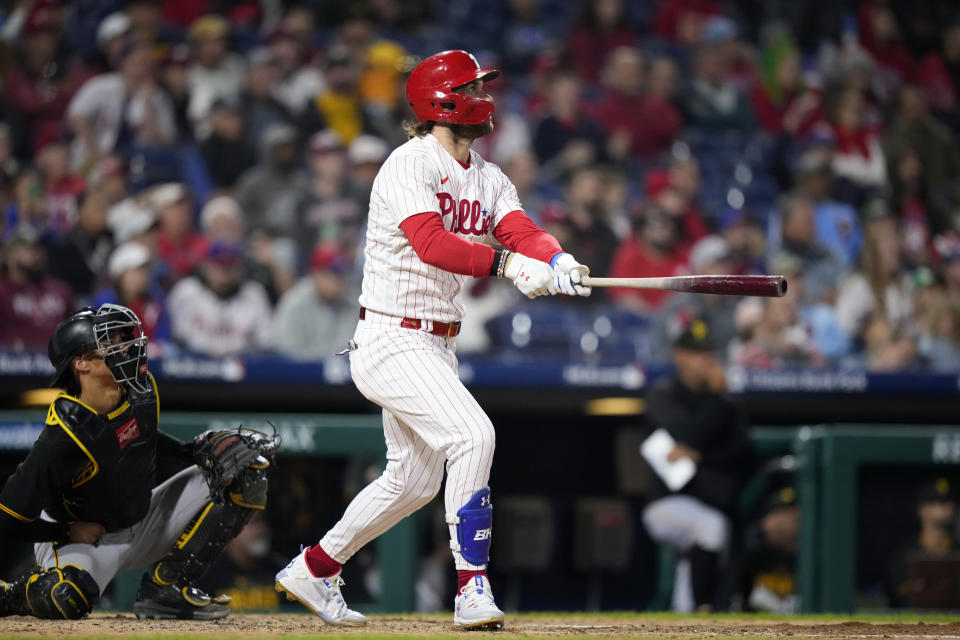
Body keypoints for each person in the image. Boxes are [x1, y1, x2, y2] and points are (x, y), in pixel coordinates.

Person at [274, 50, 592, 631]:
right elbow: (432, 244)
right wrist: (509, 268)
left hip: (435, 344)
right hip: (393, 336)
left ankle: (315, 568)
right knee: (473, 434)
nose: (484, 95)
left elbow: (519, 229)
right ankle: (471, 588)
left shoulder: (489, 176)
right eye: (472, 86)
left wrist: (556, 257)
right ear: (442, 100)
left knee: (414, 480)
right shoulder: (408, 163)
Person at [0, 304, 278, 620]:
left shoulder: (139, 389)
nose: (125, 347)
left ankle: (167, 588)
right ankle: (10, 596)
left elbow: (141, 439)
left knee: (246, 471)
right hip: (87, 538)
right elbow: (9, 517)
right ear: (81, 363)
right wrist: (68, 532)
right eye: (110, 343)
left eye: (122, 337)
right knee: (66, 598)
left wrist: (194, 451)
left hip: (143, 519)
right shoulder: (64, 436)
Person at [641, 318, 751, 612]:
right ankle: (704, 607)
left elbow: (742, 452)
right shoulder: (663, 395)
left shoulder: (726, 402)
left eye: (708, 353)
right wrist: (717, 401)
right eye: (696, 353)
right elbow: (685, 433)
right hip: (666, 502)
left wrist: (700, 456)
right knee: (709, 527)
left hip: (714, 498)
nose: (705, 361)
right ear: (680, 356)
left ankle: (688, 610)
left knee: (717, 530)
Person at [167, 241, 273, 357]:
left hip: (244, 366)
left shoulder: (254, 294)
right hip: (192, 365)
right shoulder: (185, 292)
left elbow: (265, 344)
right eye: (219, 266)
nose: (224, 274)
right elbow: (172, 340)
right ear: (206, 266)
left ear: (240, 269)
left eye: (230, 267)